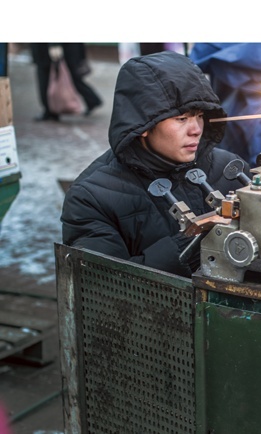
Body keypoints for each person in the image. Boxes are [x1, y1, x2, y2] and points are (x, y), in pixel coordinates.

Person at [60, 51, 248, 277]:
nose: (196, 129)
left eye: (199, 115)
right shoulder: (92, 198)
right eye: (182, 119)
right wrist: (184, 248)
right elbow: (102, 285)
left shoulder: (229, 168)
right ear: (144, 124)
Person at [31, 43, 102, 121]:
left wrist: (54, 45)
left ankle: (50, 110)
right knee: (67, 77)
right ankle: (92, 100)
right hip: (59, 49)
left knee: (59, 77)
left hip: (52, 49)